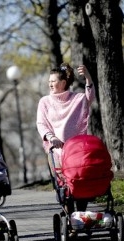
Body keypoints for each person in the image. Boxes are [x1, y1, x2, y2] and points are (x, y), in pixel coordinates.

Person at [36, 62, 96, 216]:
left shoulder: (77, 99)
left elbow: (89, 97)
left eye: (53, 81)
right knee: (63, 186)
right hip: (56, 151)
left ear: (63, 83)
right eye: (49, 81)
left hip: (77, 151)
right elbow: (41, 123)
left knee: (80, 181)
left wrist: (88, 78)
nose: (50, 84)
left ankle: (81, 215)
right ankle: (69, 217)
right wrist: (51, 137)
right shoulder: (45, 102)